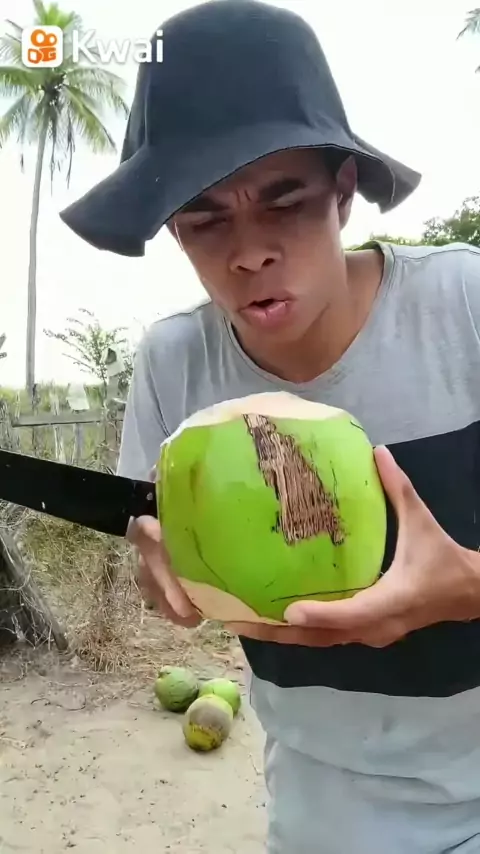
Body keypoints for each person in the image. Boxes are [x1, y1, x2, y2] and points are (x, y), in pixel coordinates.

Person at [59, 1, 480, 851]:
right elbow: (153, 545)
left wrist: (469, 587)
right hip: (326, 808)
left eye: (284, 202)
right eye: (206, 218)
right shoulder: (175, 365)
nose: (248, 252)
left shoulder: (464, 307)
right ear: (173, 231)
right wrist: (165, 573)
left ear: (344, 194)